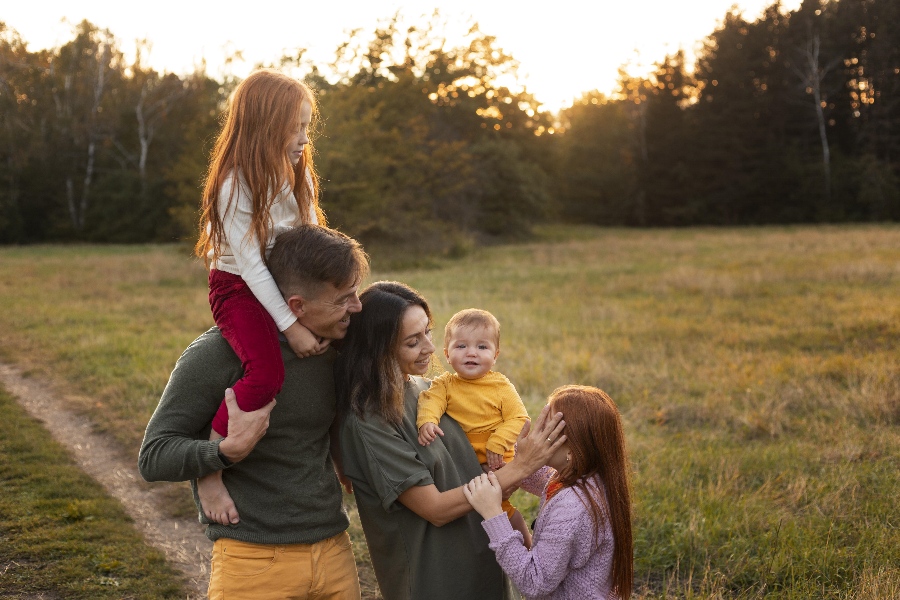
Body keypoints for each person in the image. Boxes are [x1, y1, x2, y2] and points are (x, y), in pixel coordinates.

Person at [139, 225, 368, 600]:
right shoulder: (219, 354)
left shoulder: (336, 349)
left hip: (334, 550)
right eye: (344, 299)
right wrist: (223, 453)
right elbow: (154, 457)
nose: (356, 307)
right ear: (297, 306)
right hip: (252, 561)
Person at [335, 281, 567, 600]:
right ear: (379, 348)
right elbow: (435, 508)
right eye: (413, 342)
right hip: (439, 579)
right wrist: (520, 467)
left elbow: (473, 460)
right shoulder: (369, 420)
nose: (430, 348)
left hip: (485, 556)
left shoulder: (426, 388)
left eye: (428, 332)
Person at [193, 68, 328, 525]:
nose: (304, 138)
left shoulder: (298, 176)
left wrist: (327, 300)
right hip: (238, 287)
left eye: (308, 127)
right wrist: (292, 327)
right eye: (296, 127)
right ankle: (209, 468)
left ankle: (348, 457)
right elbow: (250, 265)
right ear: (267, 126)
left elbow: (312, 240)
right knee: (267, 371)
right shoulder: (235, 183)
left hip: (289, 281)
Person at [463, 385, 634, 599]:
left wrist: (493, 513)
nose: (537, 435)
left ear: (572, 450)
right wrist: (508, 452)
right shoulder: (586, 478)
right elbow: (540, 477)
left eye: (546, 429)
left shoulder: (573, 508)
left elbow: (534, 582)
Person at [416, 308, 532, 547]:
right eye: (461, 346)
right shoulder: (445, 384)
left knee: (503, 508)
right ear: (447, 355)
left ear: (495, 354)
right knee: (477, 508)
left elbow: (519, 418)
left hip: (497, 459)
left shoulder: (500, 385)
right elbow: (431, 400)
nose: (471, 353)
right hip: (463, 462)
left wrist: (498, 442)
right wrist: (427, 421)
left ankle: (528, 547)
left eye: (482, 347)